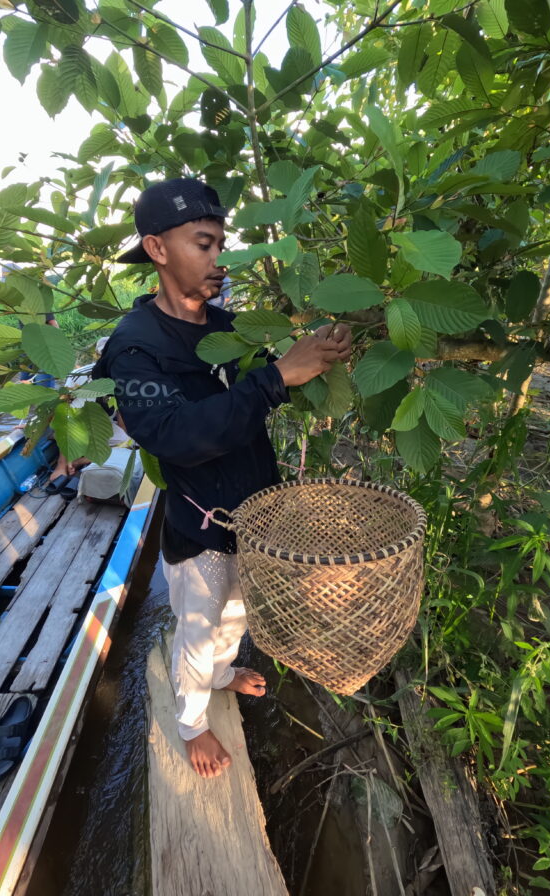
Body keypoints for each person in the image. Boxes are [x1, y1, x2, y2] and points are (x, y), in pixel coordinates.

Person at [93, 177, 350, 778]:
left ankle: (222, 674)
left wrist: (309, 354)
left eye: (221, 245)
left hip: (255, 516)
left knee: (236, 616)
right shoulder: (135, 348)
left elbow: (261, 392)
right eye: (203, 244)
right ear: (157, 250)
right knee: (198, 628)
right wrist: (277, 378)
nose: (219, 260)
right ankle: (192, 722)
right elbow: (177, 436)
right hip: (201, 527)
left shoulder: (229, 328)